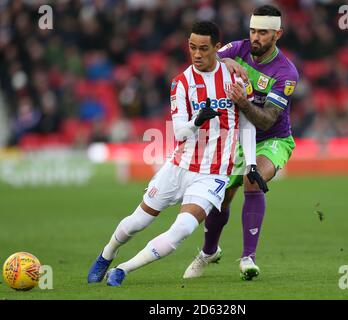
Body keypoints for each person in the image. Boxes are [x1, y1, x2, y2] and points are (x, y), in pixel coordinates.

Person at [87, 21, 265, 286]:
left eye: (204, 48)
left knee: (182, 229)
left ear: (217, 48)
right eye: (192, 47)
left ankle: (123, 269)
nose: (197, 54)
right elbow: (180, 132)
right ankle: (107, 254)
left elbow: (248, 123)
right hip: (179, 166)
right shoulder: (181, 83)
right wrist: (197, 121)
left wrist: (250, 164)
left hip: (214, 173)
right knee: (137, 222)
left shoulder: (236, 78)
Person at [183, 5, 299, 281]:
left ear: (277, 34)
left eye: (263, 32)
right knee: (219, 197)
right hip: (237, 137)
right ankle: (208, 251)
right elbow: (204, 60)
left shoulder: (286, 73)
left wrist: (242, 101)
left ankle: (248, 258)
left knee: (252, 176)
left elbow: (267, 120)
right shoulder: (239, 48)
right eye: (252, 31)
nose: (255, 37)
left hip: (273, 139)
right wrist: (225, 62)